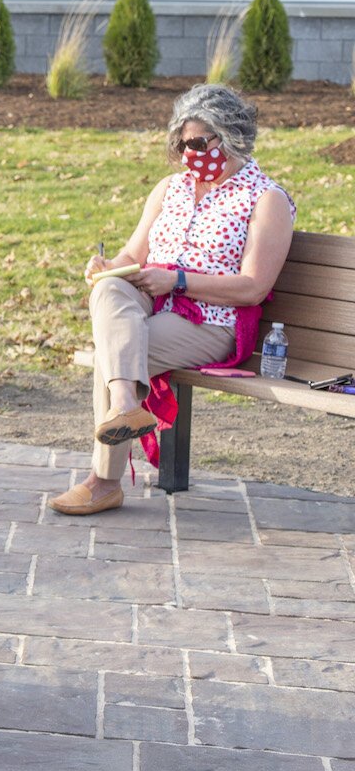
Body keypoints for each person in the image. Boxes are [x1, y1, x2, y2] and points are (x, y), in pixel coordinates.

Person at [50, 85, 295, 516]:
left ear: (231, 136)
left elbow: (253, 286)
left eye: (199, 143)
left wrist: (178, 282)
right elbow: (132, 257)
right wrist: (105, 265)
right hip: (150, 301)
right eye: (181, 143)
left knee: (116, 355)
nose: (188, 155)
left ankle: (103, 481)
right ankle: (126, 405)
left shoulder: (265, 199)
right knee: (109, 289)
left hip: (212, 321)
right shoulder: (171, 189)